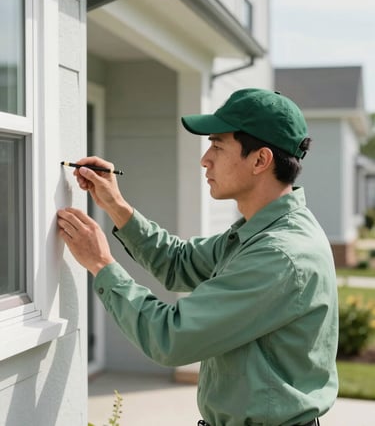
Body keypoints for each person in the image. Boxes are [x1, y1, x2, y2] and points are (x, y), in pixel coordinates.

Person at [57, 88, 338, 426]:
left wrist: (101, 264)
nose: (205, 159)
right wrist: (116, 205)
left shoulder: (279, 254)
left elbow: (171, 337)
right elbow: (179, 263)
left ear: (260, 160)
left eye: (218, 146)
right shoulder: (259, 233)